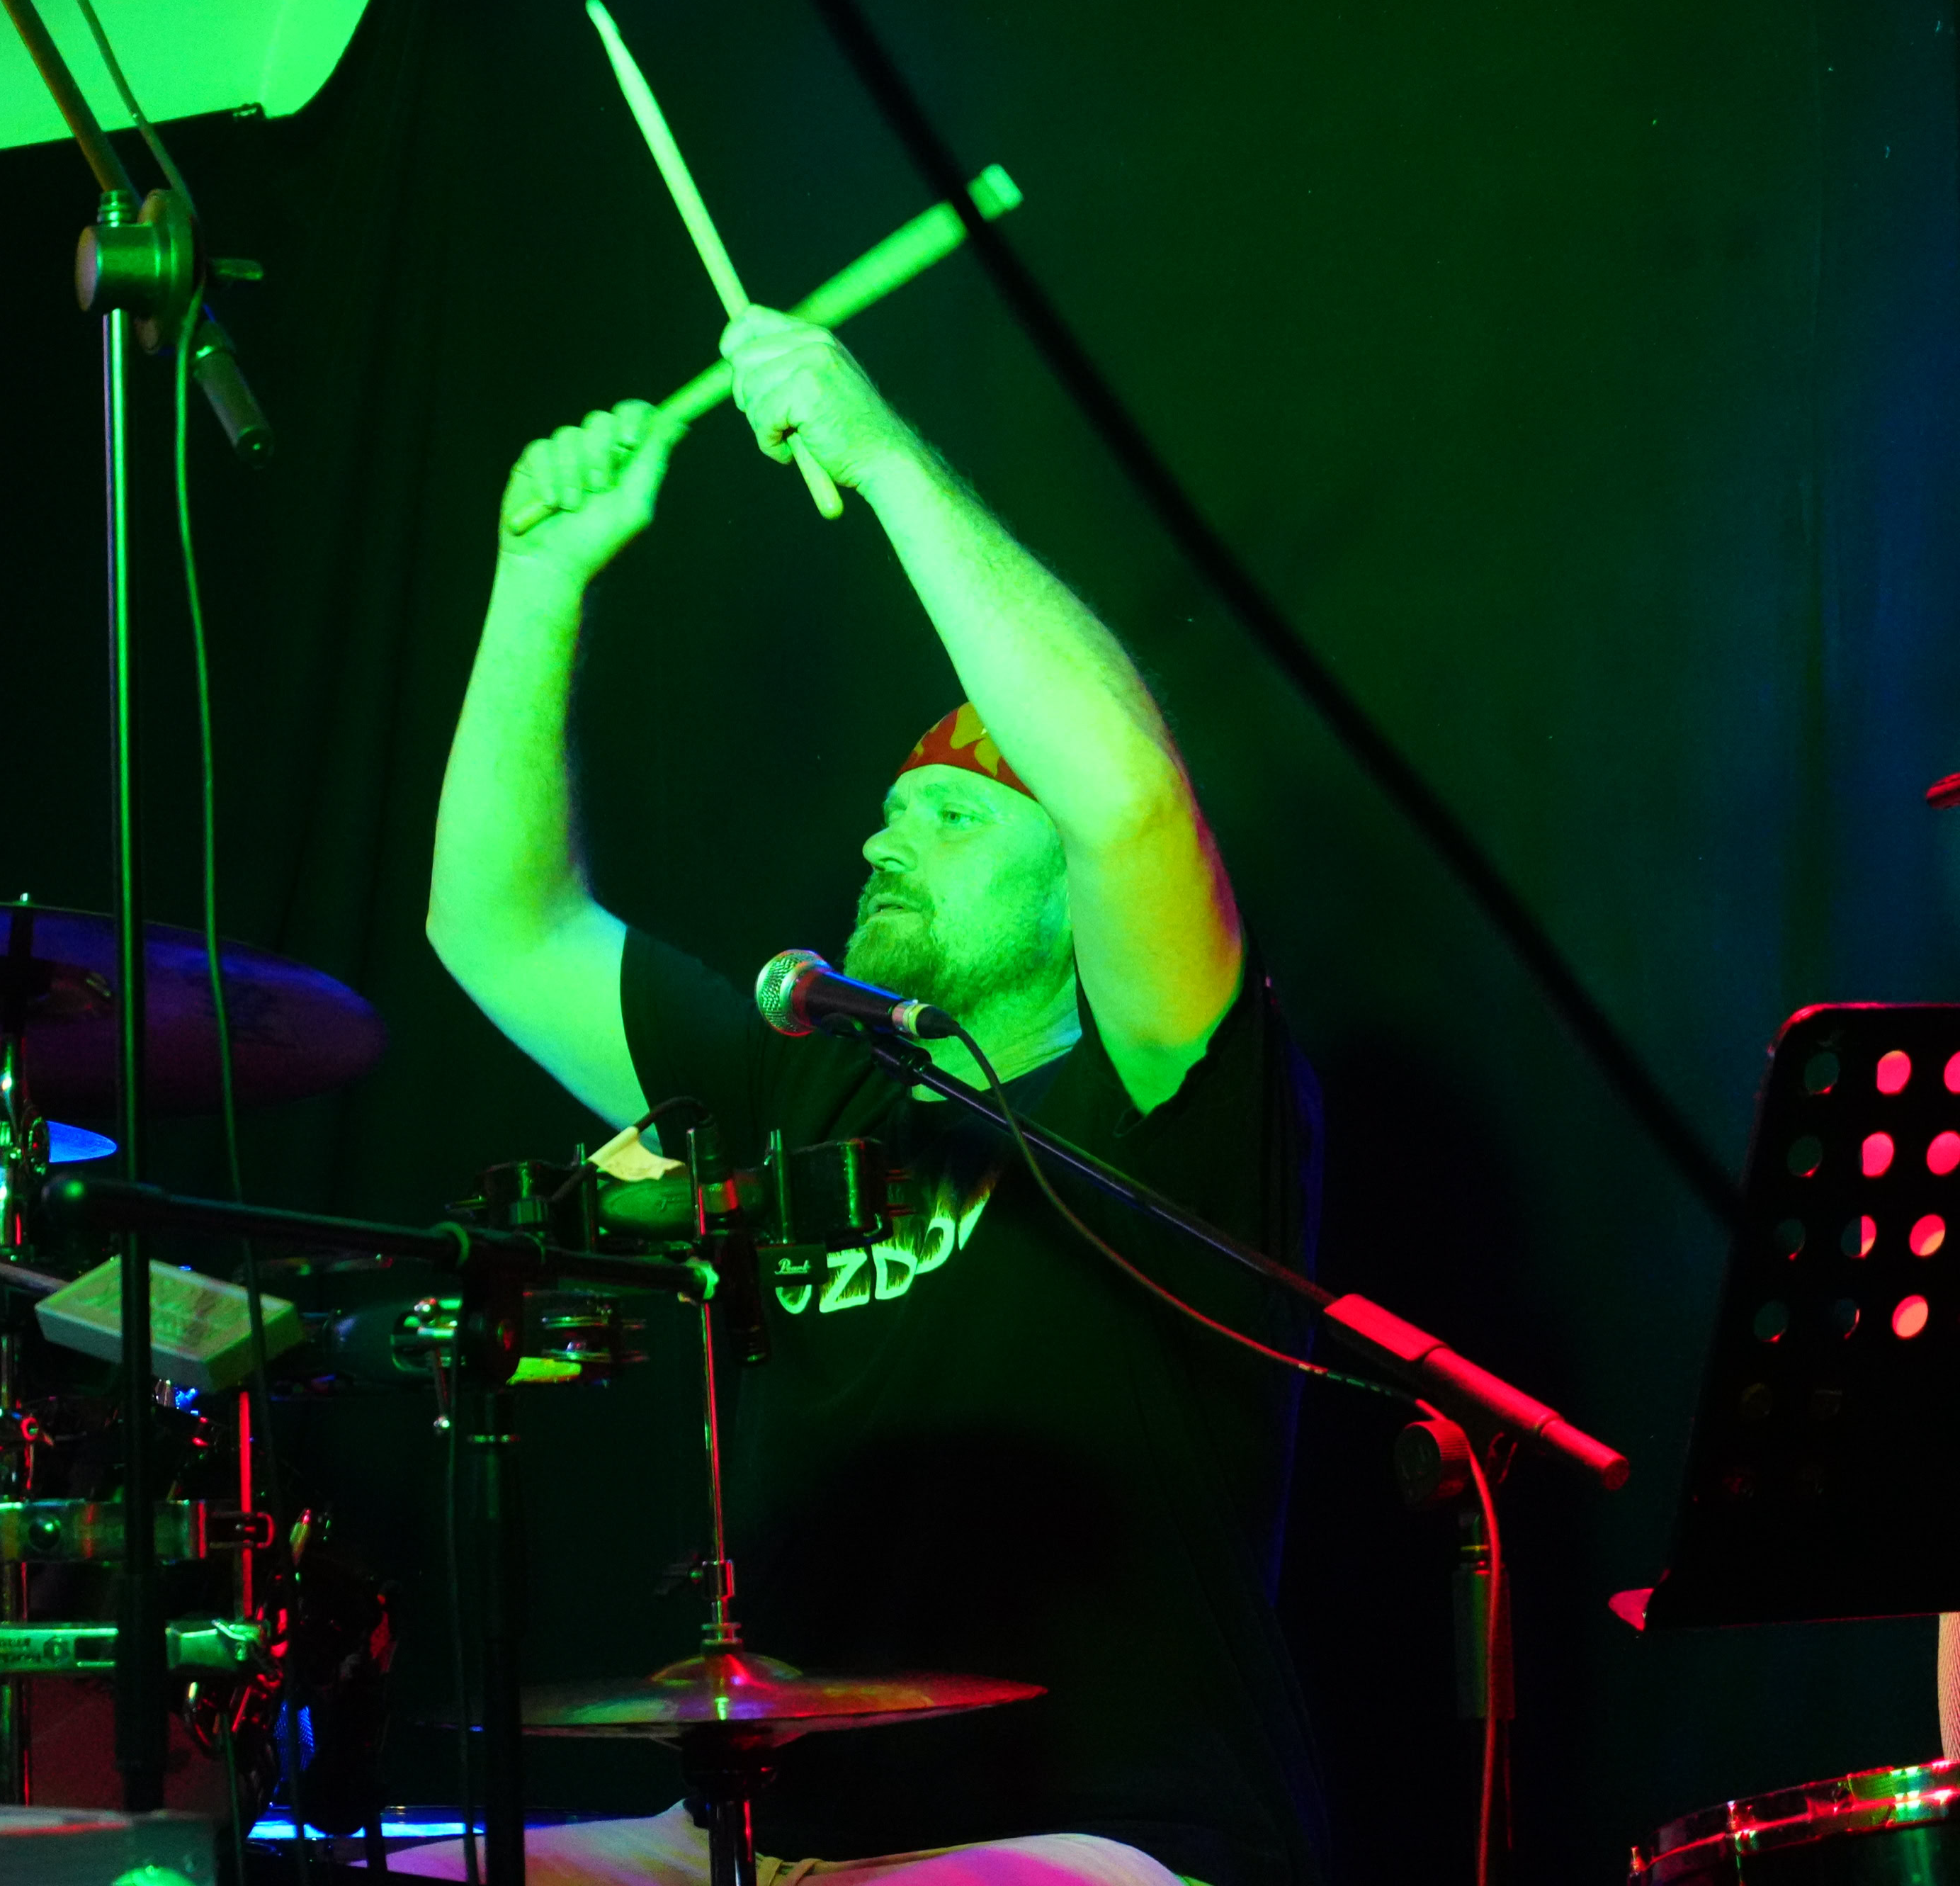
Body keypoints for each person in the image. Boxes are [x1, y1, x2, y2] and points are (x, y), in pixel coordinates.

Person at [423, 308, 1330, 1886]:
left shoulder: (1166, 1092)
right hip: (774, 1827)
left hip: (1094, 1836)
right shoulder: (799, 1075)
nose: (885, 839)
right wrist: (539, 579)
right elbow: (497, 929)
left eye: (955, 819)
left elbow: (1125, 798)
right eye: (891, 811)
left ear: (1072, 895)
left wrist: (881, 454)